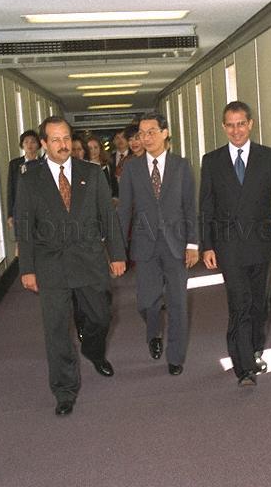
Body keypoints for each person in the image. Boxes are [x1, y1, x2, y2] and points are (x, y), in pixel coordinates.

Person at [15, 116, 126, 416]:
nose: (63, 144)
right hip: (50, 264)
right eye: (55, 139)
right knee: (56, 331)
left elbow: (108, 216)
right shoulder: (29, 179)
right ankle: (64, 390)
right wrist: (27, 268)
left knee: (100, 316)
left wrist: (117, 254)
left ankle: (93, 349)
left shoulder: (91, 173)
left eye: (66, 138)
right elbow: (24, 228)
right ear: (43, 144)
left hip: (89, 260)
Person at [199, 101, 271, 386]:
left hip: (261, 243)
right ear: (223, 127)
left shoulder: (268, 157)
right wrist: (208, 245)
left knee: (259, 305)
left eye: (241, 123)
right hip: (229, 245)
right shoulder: (212, 161)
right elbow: (206, 205)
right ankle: (244, 368)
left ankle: (253, 349)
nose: (236, 130)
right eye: (230, 125)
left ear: (250, 124)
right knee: (239, 303)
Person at [117, 112, 198, 376]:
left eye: (152, 131)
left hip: (176, 244)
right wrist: (117, 249)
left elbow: (190, 206)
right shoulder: (131, 168)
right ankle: (153, 332)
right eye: (141, 133)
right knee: (146, 302)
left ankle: (175, 357)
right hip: (145, 244)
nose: (146, 137)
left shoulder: (181, 166)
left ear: (165, 133)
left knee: (177, 303)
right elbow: (125, 209)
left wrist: (193, 244)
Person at [6, 130, 40, 229]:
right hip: (21, 208)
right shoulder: (15, 164)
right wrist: (10, 214)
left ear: (38, 145)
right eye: (26, 142)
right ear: (22, 145)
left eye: (33, 142)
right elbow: (11, 189)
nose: (29, 145)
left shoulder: (44, 163)